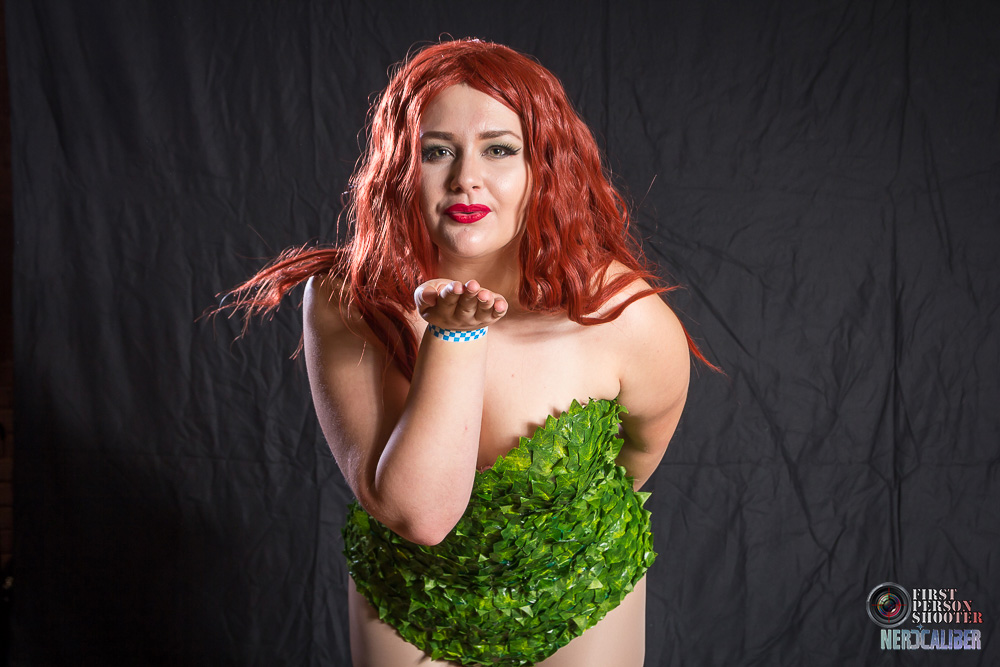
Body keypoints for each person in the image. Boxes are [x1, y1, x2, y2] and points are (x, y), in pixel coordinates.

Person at [225, 38, 708, 667]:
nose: (465, 179)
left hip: (579, 593)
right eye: (437, 152)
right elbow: (419, 515)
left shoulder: (624, 315)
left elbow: (638, 458)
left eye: (499, 149)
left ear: (544, 167)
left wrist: (555, 526)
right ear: (399, 168)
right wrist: (454, 337)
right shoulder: (347, 300)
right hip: (408, 600)